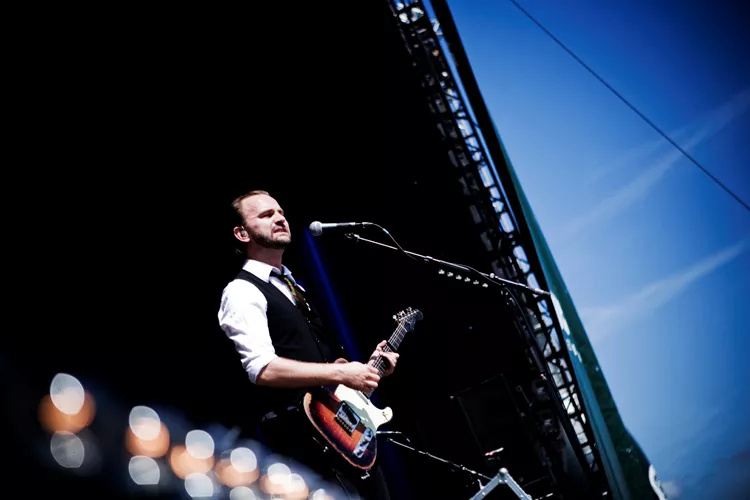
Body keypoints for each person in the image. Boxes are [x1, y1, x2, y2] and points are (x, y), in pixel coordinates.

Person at [217, 189, 397, 500]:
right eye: (266, 215)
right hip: (304, 444)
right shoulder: (241, 291)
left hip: (343, 435)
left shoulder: (293, 285)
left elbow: (321, 366)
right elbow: (262, 369)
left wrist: (363, 372)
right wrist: (341, 374)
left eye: (280, 212)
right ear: (242, 233)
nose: (279, 218)